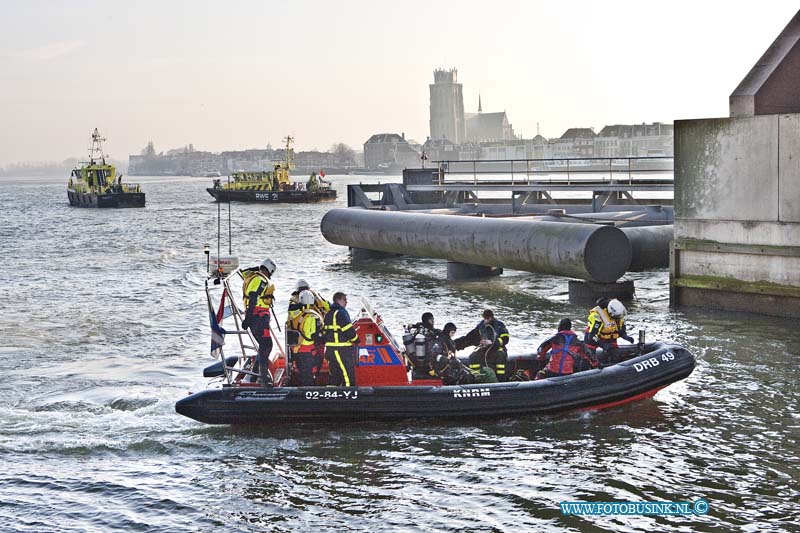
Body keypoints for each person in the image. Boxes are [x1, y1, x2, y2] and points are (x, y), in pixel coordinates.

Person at [241, 258, 277, 386]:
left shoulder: (254, 277)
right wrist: (248, 318)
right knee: (267, 345)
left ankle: (255, 375)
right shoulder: (260, 280)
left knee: (264, 345)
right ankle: (262, 378)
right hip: (258, 317)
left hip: (257, 317)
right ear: (269, 270)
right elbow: (253, 297)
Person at [456, 309, 510, 381]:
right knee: (473, 357)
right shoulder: (481, 326)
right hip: (484, 349)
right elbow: (470, 337)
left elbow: (505, 339)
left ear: (491, 317)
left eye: (487, 319)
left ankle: (501, 380)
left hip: (497, 349)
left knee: (501, 356)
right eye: (484, 318)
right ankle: (476, 378)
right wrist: (455, 344)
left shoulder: (500, 325)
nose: (486, 321)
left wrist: (493, 342)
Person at [322, 292, 359, 386]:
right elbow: (349, 331)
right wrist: (356, 340)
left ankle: (332, 397)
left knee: (334, 376)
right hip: (341, 350)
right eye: (344, 300)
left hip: (330, 350)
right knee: (347, 376)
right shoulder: (341, 313)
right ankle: (349, 396)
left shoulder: (329, 313)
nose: (346, 302)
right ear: (338, 300)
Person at [293, 290, 324, 386]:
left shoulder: (297, 315)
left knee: (303, 374)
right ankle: (309, 393)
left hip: (297, 349)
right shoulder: (313, 317)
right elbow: (316, 336)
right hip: (308, 351)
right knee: (308, 375)